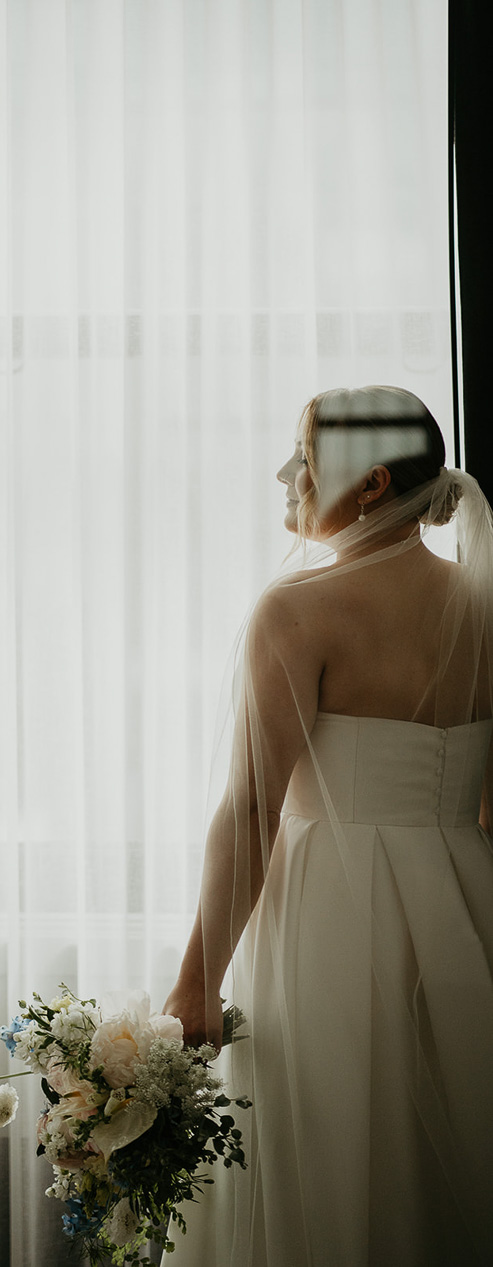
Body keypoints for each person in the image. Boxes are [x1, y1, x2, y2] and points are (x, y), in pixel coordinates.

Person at [163, 385, 493, 1266]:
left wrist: (197, 979)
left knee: (331, 1151)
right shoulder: (483, 607)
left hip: (330, 925)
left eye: (303, 457)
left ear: (371, 482)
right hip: (467, 911)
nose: (287, 474)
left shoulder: (298, 611)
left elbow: (250, 809)